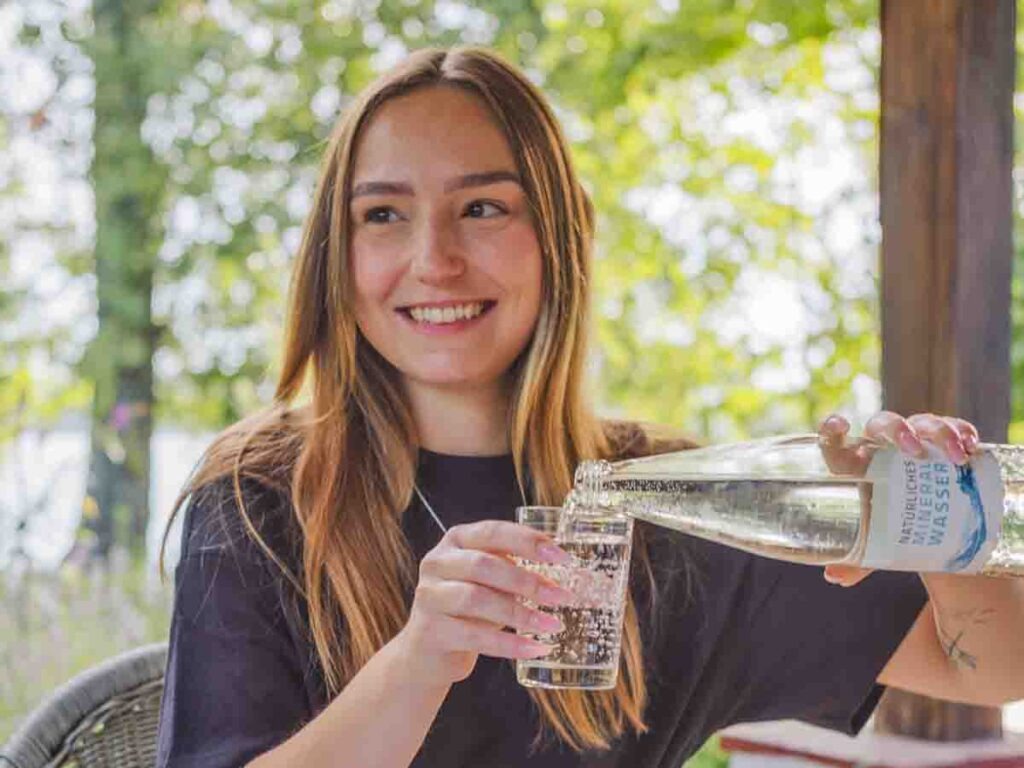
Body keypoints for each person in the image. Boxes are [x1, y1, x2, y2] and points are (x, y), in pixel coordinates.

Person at [155, 46, 1024, 768]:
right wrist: (420, 662)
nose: (434, 258)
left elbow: (989, 668)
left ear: (561, 237)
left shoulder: (670, 505)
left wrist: (936, 521)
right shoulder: (261, 500)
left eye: (483, 207)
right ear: (335, 259)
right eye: (383, 214)